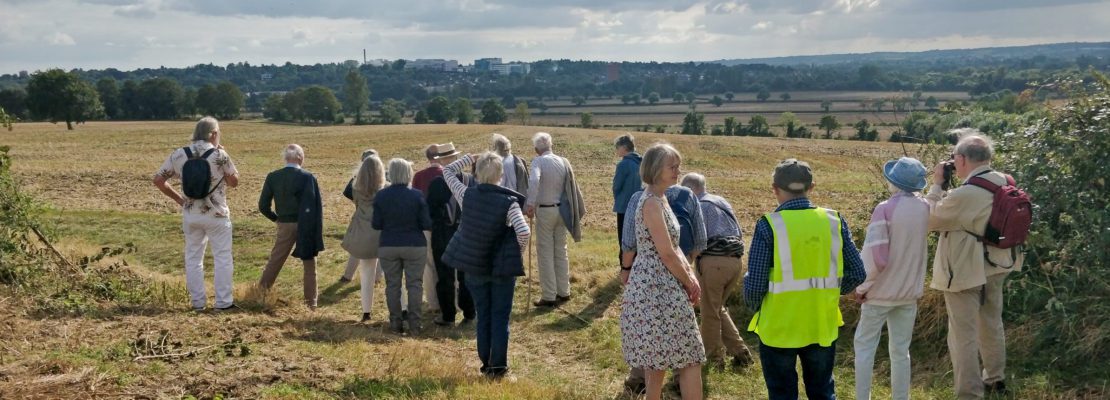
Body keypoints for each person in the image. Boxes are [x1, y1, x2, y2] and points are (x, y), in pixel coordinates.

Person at [743, 158, 866, 400]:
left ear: (775, 188)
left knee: (782, 394)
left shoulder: (769, 225)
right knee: (822, 392)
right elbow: (858, 273)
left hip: (779, 327)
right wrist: (830, 293)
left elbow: (755, 284)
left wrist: (755, 306)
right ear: (812, 187)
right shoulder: (834, 221)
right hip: (821, 323)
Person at [926, 131, 1023, 399]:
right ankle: (995, 378)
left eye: (955, 160)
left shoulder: (965, 193)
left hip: (964, 269)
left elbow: (930, 220)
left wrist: (936, 185)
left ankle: (969, 392)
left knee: (962, 334)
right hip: (998, 263)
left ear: (962, 159)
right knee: (991, 323)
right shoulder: (1006, 181)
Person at [619, 143, 705, 400]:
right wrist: (689, 282)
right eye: (673, 166)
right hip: (657, 287)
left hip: (660, 285)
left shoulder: (661, 198)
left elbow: (674, 248)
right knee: (690, 356)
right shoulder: (651, 203)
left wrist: (689, 275)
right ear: (656, 169)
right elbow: (666, 252)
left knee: (656, 363)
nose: (678, 170)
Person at [441, 152, 531, 379]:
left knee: (483, 315)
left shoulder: (466, 194)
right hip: (501, 269)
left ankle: (485, 363)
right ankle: (498, 367)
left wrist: (468, 157)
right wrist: (516, 253)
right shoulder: (508, 202)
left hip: (474, 266)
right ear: (500, 175)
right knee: (500, 316)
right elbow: (523, 231)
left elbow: (447, 171)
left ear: (476, 173)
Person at [853, 157, 931, 400]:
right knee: (900, 351)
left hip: (879, 294)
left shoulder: (884, 209)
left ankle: (862, 397)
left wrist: (862, 287)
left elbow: (876, 258)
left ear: (893, 181)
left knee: (864, 348)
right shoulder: (924, 208)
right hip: (908, 294)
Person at [152, 116, 240, 311]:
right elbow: (234, 182)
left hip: (191, 214)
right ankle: (223, 303)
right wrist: (223, 155)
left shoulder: (179, 154)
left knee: (193, 258)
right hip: (217, 214)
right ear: (214, 134)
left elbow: (158, 180)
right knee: (222, 257)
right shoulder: (219, 155)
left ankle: (198, 304)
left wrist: (178, 199)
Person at [679, 173, 753, 369]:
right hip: (735, 262)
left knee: (709, 312)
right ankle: (740, 352)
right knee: (716, 307)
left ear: (689, 190)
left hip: (713, 263)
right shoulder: (721, 201)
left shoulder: (698, 206)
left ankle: (713, 359)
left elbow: (696, 239)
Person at [258, 144, 325, 309]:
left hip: (285, 223)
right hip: (306, 225)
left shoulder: (273, 177)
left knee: (275, 260)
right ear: (301, 158)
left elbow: (262, 205)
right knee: (310, 265)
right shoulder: (308, 177)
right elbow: (316, 207)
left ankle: (260, 293)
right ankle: (311, 304)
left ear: (285, 158)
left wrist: (276, 219)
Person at [524, 132, 585, 308]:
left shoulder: (538, 161)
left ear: (537, 149)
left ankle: (549, 295)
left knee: (545, 253)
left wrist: (530, 204)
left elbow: (534, 180)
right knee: (561, 251)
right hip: (562, 211)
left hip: (545, 211)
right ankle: (564, 291)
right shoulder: (563, 161)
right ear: (550, 145)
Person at [373, 158, 433, 335]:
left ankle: (395, 323)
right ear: (408, 173)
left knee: (392, 285)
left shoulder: (381, 195)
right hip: (414, 244)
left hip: (389, 244)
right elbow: (426, 223)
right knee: (414, 284)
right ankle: (415, 325)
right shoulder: (417, 195)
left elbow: (376, 224)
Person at [425, 143, 475, 326]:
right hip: (466, 233)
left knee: (444, 275)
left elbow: (429, 211)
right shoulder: (470, 180)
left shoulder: (437, 183)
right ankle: (469, 312)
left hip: (443, 233)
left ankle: (448, 315)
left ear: (443, 161)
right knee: (465, 275)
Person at [341, 151, 387, 322]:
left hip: (363, 232)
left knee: (366, 273)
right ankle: (402, 309)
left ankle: (366, 311)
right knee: (393, 275)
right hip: (382, 234)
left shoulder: (355, 188)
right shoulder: (387, 189)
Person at [412, 144, 445, 313]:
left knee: (429, 264)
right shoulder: (449, 174)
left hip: (425, 226)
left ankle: (433, 302)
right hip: (447, 226)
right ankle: (450, 300)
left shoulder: (419, 176)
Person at [341, 149, 377, 283]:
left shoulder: (356, 179)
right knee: (379, 248)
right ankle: (377, 278)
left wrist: (359, 203)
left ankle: (348, 276)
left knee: (357, 248)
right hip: (379, 218)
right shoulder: (384, 176)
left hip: (361, 217)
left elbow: (348, 193)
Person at [612, 134, 642, 264]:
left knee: (624, 239)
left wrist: (617, 198)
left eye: (617, 147)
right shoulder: (642, 162)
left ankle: (625, 268)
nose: (616, 150)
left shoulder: (623, 164)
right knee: (637, 238)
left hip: (624, 207)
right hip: (640, 206)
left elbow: (616, 186)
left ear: (624, 148)